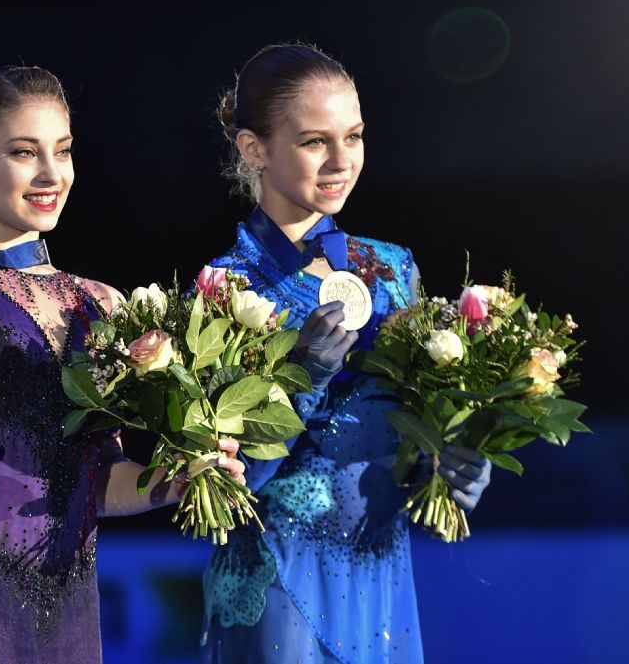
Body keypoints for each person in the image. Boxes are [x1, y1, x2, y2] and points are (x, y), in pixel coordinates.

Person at [0, 66, 246, 664]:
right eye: (23, 153)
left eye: (62, 151)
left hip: (69, 606)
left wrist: (184, 477)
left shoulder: (102, 303)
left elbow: (98, 482)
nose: (50, 174)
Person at [199, 44, 492, 664]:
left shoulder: (392, 269)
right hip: (279, 577)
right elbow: (228, 482)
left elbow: (408, 434)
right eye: (313, 142)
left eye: (353, 136)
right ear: (254, 149)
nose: (341, 161)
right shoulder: (225, 288)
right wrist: (301, 380)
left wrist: (447, 465)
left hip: (380, 575)